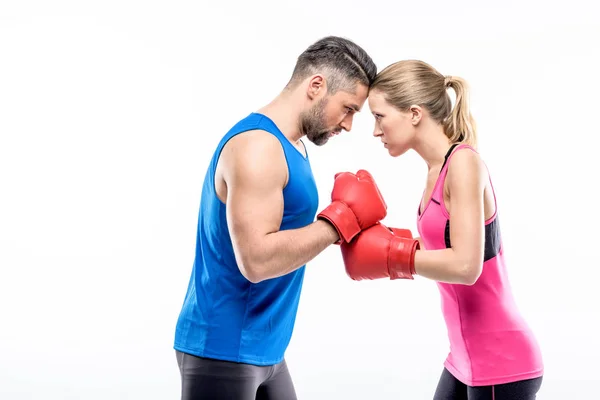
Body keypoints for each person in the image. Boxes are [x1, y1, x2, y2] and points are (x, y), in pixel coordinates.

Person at [173, 36, 387, 400]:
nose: (349, 125)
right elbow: (256, 261)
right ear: (316, 85)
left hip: (265, 348)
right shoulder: (258, 147)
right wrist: (337, 223)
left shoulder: (292, 145)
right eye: (348, 108)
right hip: (223, 350)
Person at [339, 60, 544, 399]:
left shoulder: (463, 162)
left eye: (379, 117)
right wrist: (380, 239)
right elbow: (444, 248)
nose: (375, 131)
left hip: (500, 362)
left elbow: (466, 266)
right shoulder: (436, 169)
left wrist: (394, 254)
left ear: (414, 113)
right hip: (464, 358)